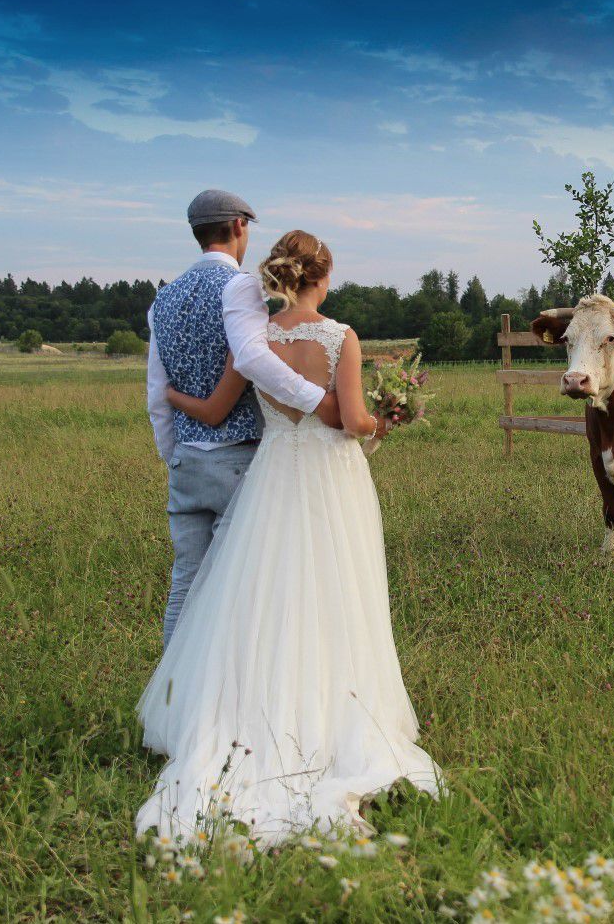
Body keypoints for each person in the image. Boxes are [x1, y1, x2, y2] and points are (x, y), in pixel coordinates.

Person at [136, 229, 439, 846]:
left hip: (271, 477)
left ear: (280, 278)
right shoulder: (340, 338)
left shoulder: (253, 341)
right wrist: (389, 418)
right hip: (330, 479)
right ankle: (333, 722)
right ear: (323, 278)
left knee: (262, 598)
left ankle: (248, 715)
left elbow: (218, 410)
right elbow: (352, 422)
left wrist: (168, 395)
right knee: (336, 593)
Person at [147, 190, 345, 646]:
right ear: (239, 227)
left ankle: (171, 700)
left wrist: (173, 455)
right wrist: (318, 401)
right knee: (239, 591)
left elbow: (157, 393)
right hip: (237, 458)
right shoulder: (238, 287)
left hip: (187, 462)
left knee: (185, 586)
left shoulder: (164, 299)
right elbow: (252, 358)